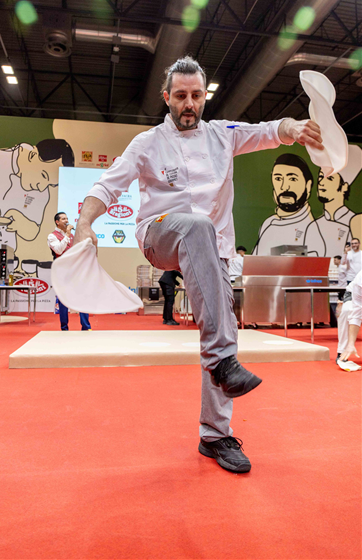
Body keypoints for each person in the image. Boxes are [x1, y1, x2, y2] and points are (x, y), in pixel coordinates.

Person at [74, 56, 324, 474]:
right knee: (196, 225)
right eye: (180, 96)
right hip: (160, 236)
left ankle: (215, 434)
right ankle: (223, 362)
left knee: (222, 321)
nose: (189, 104)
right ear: (166, 97)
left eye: (195, 95)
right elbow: (108, 185)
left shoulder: (222, 135)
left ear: (204, 96)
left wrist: (294, 128)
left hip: (214, 251)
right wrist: (84, 223)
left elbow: (267, 131)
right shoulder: (147, 143)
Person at [0, 139, 74, 251]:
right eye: (43, 176)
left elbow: (33, 231)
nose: (42, 187)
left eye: (50, 184)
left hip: (6, 255)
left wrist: (22, 223)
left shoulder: (41, 190)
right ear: (32, 156)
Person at [252, 154, 314, 255]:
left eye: (292, 179)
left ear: (308, 186)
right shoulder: (268, 223)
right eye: (278, 179)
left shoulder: (312, 228)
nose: (284, 187)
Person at [48, 212, 91, 332]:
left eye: (67, 218)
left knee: (83, 296)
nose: (66, 220)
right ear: (57, 222)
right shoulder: (52, 236)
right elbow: (58, 250)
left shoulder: (73, 236)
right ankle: (64, 328)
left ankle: (86, 327)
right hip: (62, 271)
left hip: (75, 269)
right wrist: (67, 234)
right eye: (63, 219)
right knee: (63, 300)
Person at [338, 270, 362, 371]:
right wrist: (351, 343)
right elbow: (356, 313)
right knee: (347, 311)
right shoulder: (360, 280)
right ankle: (343, 350)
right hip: (353, 293)